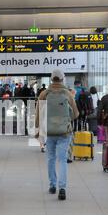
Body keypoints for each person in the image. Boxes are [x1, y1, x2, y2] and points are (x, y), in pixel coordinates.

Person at [35, 69, 79, 201]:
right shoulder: (67, 93)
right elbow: (76, 114)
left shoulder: (44, 94)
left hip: (49, 131)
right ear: (62, 79)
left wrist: (38, 131)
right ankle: (62, 188)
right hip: (64, 132)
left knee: (51, 158)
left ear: (51, 79)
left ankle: (52, 185)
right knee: (62, 159)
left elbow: (38, 114)